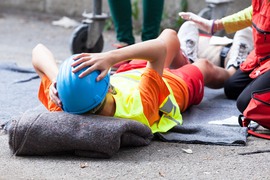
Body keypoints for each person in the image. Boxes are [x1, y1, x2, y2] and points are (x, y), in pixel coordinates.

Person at [32, 29, 236, 134]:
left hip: (132, 75)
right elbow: (158, 49)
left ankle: (185, 57)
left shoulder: (65, 104)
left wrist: (58, 79)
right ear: (109, 88)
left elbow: (38, 50)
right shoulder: (140, 107)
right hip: (171, 86)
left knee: (170, 36)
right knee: (204, 66)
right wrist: (111, 57)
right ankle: (233, 70)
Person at [179, 0, 270, 114]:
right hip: (263, 54)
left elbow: (167, 38)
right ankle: (189, 64)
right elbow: (258, 10)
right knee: (232, 87)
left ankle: (188, 63)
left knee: (247, 104)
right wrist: (215, 25)